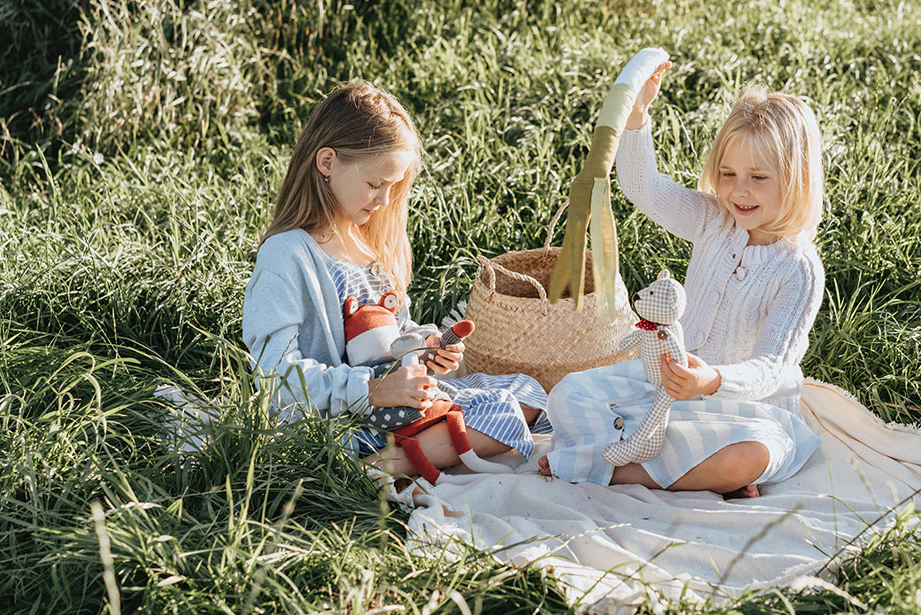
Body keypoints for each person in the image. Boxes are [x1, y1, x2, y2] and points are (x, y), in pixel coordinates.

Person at [540, 61, 825, 498]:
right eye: (728, 175)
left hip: (746, 412)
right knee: (569, 392)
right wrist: (637, 118)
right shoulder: (714, 220)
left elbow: (772, 367)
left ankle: (617, 471)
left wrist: (712, 381)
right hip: (669, 389)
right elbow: (644, 188)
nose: (739, 191)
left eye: (759, 178)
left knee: (749, 457)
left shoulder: (797, 269)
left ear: (797, 179)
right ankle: (677, 467)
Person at [243, 81, 549, 479]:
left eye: (393, 187)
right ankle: (373, 468)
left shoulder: (367, 244)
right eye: (375, 184)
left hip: (395, 402)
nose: (384, 200)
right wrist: (371, 392)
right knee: (504, 414)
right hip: (343, 418)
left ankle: (418, 445)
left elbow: (395, 333)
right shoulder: (288, 254)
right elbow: (272, 374)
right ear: (326, 162)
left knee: (529, 391)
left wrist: (426, 348)